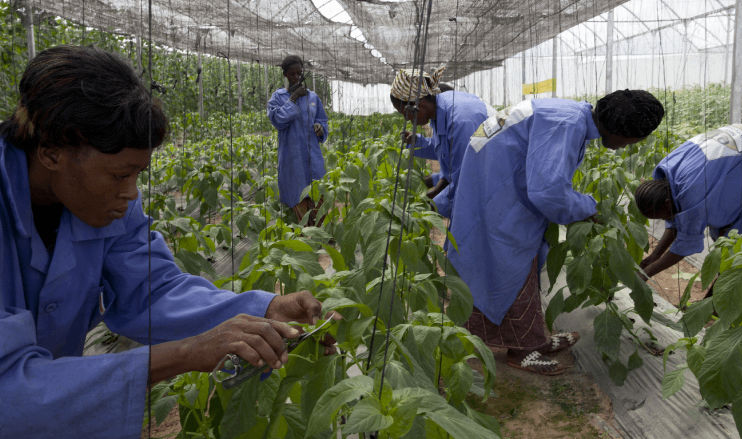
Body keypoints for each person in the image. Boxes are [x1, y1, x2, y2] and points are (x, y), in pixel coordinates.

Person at [0, 45, 329, 438]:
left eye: (138, 174)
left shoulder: (105, 200)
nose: (132, 193)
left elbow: (151, 288)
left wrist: (267, 308)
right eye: (121, 175)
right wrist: (186, 353)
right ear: (51, 152)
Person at [448, 90, 665, 374]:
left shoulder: (568, 114)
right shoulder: (565, 124)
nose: (630, 146)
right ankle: (522, 350)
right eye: (636, 138)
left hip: (494, 186)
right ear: (622, 131)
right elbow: (548, 192)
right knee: (512, 270)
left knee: (507, 268)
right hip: (497, 194)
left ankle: (533, 339)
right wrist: (588, 208)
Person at [635, 124, 742, 280]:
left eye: (664, 217)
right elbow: (677, 220)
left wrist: (645, 274)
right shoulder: (665, 172)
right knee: (724, 232)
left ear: (667, 203)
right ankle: (719, 293)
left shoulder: (692, 194)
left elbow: (683, 246)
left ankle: (724, 298)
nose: (667, 220)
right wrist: (654, 256)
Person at [390, 67, 489, 218]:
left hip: (494, 183)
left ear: (419, 105)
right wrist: (417, 142)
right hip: (482, 179)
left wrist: (429, 208)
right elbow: (446, 149)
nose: (407, 119)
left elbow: (465, 181)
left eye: (405, 114)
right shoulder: (440, 110)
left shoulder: (460, 120)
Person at [267, 55, 329, 226]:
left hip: (312, 156)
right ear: (285, 75)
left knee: (317, 193)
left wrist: (319, 127)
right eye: (292, 74)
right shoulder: (277, 98)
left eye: (299, 74)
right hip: (292, 158)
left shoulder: (312, 98)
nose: (296, 77)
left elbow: (322, 120)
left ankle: (321, 232)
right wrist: (293, 98)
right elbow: (278, 120)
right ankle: (304, 237)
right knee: (297, 194)